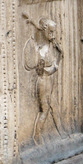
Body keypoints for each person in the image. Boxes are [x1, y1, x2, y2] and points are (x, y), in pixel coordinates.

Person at [23, 16, 63, 144]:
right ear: (44, 31)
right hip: (43, 82)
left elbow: (39, 27)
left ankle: (62, 132)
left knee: (55, 108)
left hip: (49, 82)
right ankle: (37, 136)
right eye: (50, 32)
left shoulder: (50, 45)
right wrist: (57, 61)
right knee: (44, 110)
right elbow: (44, 71)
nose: (53, 35)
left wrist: (60, 54)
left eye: (54, 32)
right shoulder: (39, 51)